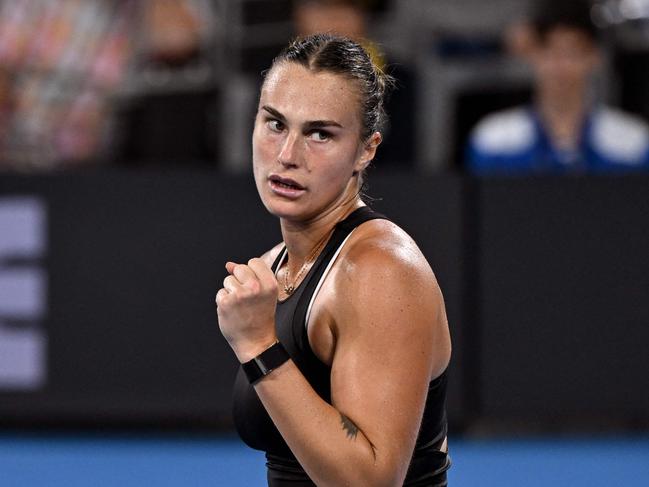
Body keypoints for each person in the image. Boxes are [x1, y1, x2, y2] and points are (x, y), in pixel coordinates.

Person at [215, 34, 452, 486]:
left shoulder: (380, 270)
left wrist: (258, 347)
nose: (287, 156)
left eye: (319, 133)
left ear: (367, 149)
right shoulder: (276, 264)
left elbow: (371, 482)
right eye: (275, 124)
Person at [466, 0, 649, 175]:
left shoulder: (631, 145)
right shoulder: (494, 141)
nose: (561, 66)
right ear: (531, 53)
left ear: (594, 57)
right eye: (551, 52)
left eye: (572, 53)